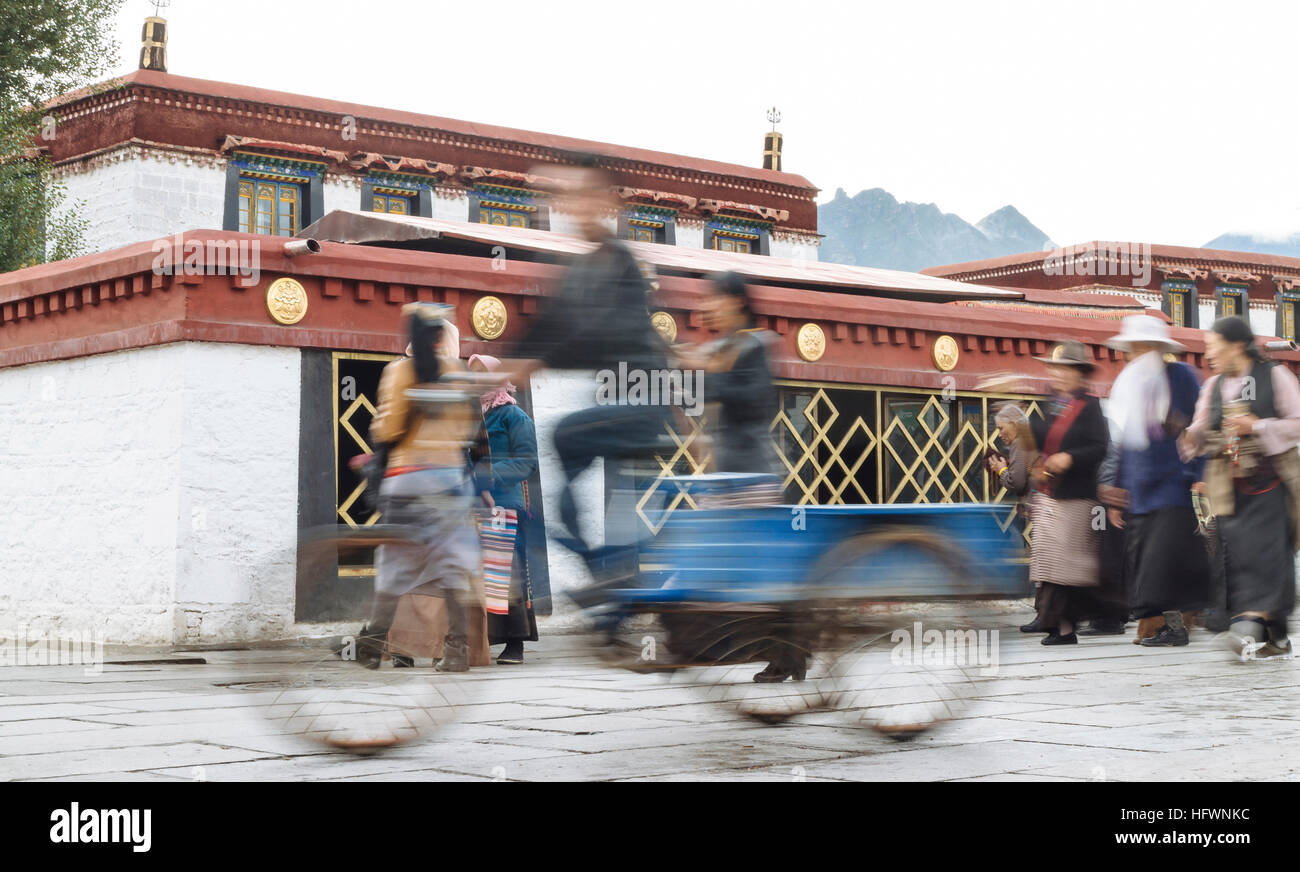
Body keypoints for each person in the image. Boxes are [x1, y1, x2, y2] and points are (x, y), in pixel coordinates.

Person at [506, 155, 671, 601]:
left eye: (582, 195)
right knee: (568, 458)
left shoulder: (620, 263)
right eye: (567, 197)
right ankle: (607, 573)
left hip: (644, 400)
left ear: (602, 202)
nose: (571, 205)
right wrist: (498, 363)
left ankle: (599, 569)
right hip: (615, 403)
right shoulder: (578, 269)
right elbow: (547, 327)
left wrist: (541, 362)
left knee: (563, 434)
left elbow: (600, 331)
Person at [676, 271, 800, 682]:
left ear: (734, 301)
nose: (705, 307)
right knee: (738, 566)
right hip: (727, 475)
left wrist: (707, 373)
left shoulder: (757, 344)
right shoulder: (724, 347)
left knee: (754, 570)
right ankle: (777, 650)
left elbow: (750, 398)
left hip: (751, 477)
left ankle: (784, 650)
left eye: (712, 298)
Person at [358, 303, 494, 672]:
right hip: (450, 479)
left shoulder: (399, 370)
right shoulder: (460, 373)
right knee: (453, 566)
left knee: (396, 565)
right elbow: (474, 433)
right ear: (442, 335)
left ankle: (372, 643)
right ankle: (457, 650)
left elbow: (388, 427)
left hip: (408, 478)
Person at [1180, 316, 1300, 660]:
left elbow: (1297, 422)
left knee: (1267, 557)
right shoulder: (1214, 385)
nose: (1209, 355)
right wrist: (1191, 435)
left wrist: (1257, 425)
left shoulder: (1275, 375)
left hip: (1272, 481)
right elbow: (1202, 427)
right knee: (1240, 558)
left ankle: (1246, 627)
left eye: (1213, 346)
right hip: (1230, 487)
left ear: (1236, 345)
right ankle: (1275, 636)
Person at [1101, 314, 1209, 646]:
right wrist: (1117, 487)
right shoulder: (1129, 384)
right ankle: (1161, 624)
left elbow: (1200, 430)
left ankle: (1175, 627)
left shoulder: (1182, 378)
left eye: (1139, 348)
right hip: (1140, 488)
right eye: (1131, 349)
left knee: (1163, 562)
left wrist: (1200, 475)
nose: (1133, 355)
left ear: (1156, 348)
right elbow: (1124, 440)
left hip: (1174, 485)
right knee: (1144, 563)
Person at [1025, 340, 1109, 645]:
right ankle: (1055, 623)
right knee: (1048, 564)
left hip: (1076, 495)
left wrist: (1070, 457)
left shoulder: (1089, 407)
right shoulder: (1048, 406)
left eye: (1064, 369)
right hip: (1048, 495)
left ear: (1079, 374)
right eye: (1054, 368)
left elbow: (1100, 447)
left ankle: (1066, 627)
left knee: (1067, 566)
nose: (1057, 374)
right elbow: (1034, 441)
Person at [469, 353, 540, 664]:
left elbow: (527, 462)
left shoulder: (514, 416)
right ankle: (487, 638)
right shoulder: (474, 416)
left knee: (508, 575)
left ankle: (516, 644)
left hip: (506, 505)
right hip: (477, 504)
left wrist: (489, 475)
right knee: (485, 576)